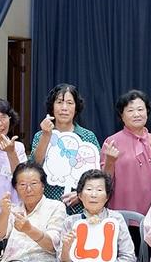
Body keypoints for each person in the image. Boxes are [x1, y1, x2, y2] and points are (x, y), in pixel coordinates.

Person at [31, 83, 100, 215]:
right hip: (47, 207)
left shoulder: (88, 136)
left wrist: (80, 194)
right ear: (52, 106)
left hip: (81, 209)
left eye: (69, 103)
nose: (64, 108)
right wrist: (46, 135)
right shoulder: (41, 135)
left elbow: (97, 175)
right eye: (59, 102)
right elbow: (34, 166)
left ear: (76, 107)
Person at [102, 89, 151, 217]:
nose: (136, 114)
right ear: (121, 115)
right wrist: (110, 161)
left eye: (140, 109)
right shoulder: (112, 141)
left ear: (147, 112)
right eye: (130, 110)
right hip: (122, 214)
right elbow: (104, 183)